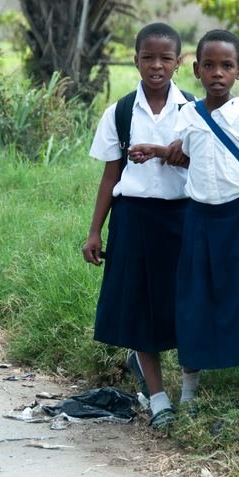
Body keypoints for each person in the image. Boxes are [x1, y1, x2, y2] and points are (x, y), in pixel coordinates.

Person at [129, 29, 239, 414]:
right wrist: (154, 151)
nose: (218, 73)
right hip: (199, 221)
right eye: (210, 66)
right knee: (194, 302)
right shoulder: (189, 114)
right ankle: (189, 389)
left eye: (227, 66)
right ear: (197, 70)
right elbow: (182, 154)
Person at [82, 22, 192, 429]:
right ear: (136, 60)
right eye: (148, 57)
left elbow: (207, 166)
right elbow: (111, 176)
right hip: (133, 220)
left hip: (181, 219)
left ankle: (189, 389)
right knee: (143, 307)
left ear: (179, 62)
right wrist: (95, 230)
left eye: (166, 58)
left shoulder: (193, 111)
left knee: (183, 302)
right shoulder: (121, 111)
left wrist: (172, 153)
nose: (157, 65)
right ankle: (159, 397)